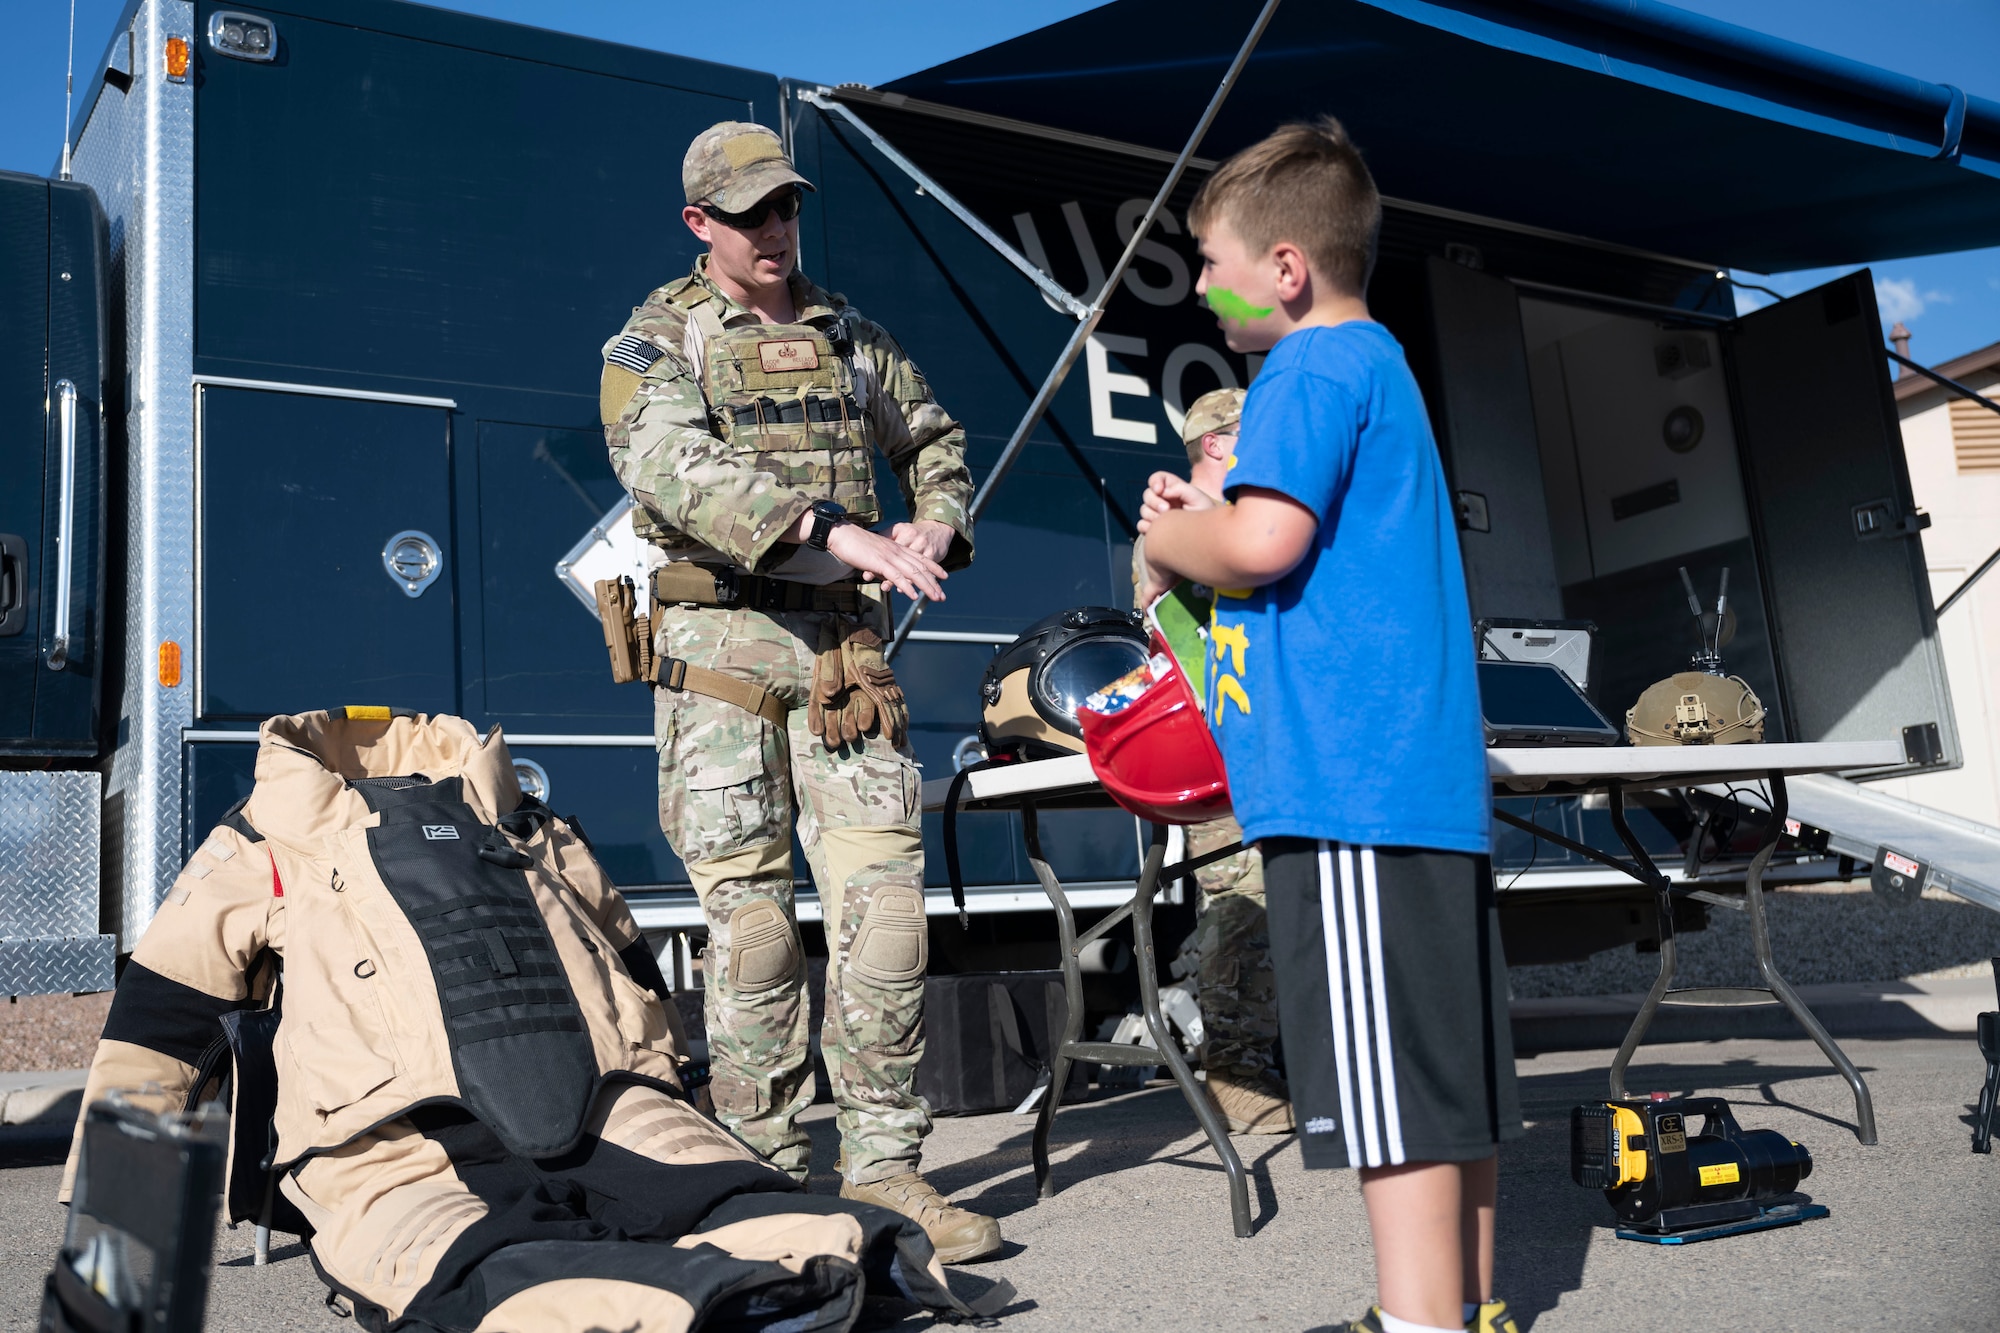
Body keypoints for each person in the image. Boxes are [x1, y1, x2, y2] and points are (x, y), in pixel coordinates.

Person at [1136, 118, 1522, 1333]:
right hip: (1418, 792)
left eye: (1210, 260)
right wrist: (1217, 505)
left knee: (1387, 1095)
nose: (1198, 284)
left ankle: (1412, 1325)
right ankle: (1466, 1310)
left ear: (1285, 267)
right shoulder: (1380, 362)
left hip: (1347, 791)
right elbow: (1290, 540)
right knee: (1447, 1082)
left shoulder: (1301, 371)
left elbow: (1258, 547)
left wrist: (1167, 536)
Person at [596, 121, 1000, 1262]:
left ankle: (887, 1173)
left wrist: (936, 516)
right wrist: (832, 528)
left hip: (843, 666)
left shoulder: (849, 337)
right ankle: (764, 1180)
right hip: (721, 666)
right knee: (757, 930)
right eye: (747, 214)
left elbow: (934, 438)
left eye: (785, 208)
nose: (774, 231)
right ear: (699, 225)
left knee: (884, 919)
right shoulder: (653, 341)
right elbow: (671, 466)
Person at [1137, 387, 1291, 1136]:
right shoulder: (1176, 527)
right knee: (1241, 907)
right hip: (1219, 754)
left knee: (1287, 906)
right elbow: (1162, 596)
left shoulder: (1257, 516)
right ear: (1222, 444)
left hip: (1279, 742)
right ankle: (1236, 1070)